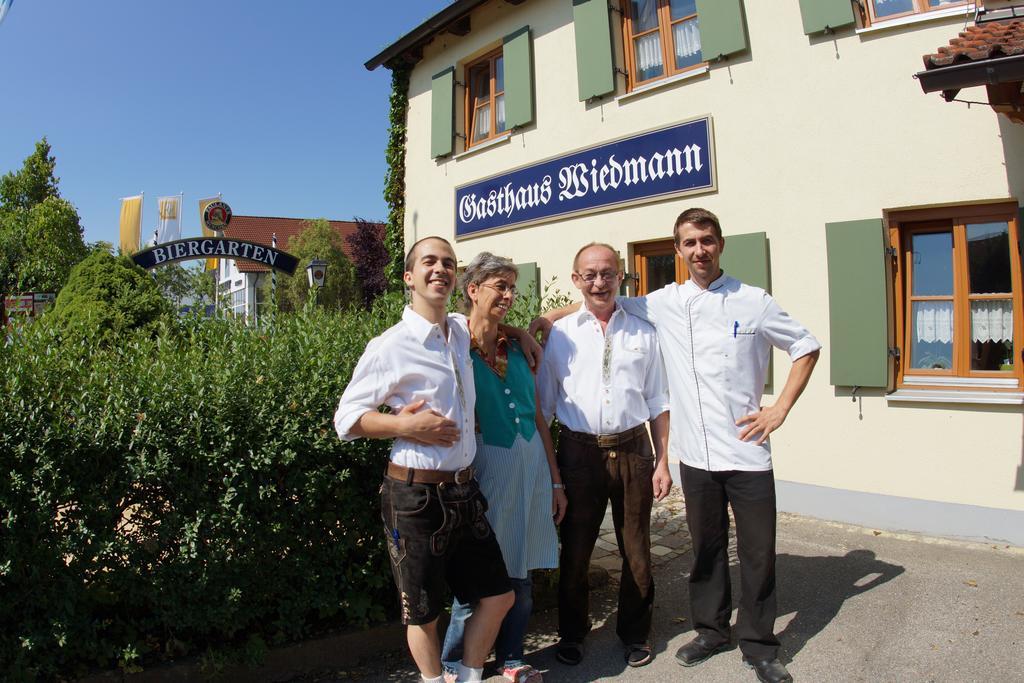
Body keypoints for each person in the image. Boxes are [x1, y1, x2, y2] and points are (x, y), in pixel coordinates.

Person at [532, 210, 820, 683]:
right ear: (679, 251)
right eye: (689, 243)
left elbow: (806, 347)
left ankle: (759, 644)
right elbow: (600, 303)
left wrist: (780, 409)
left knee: (757, 553)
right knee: (705, 549)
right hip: (697, 457)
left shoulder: (754, 301)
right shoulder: (664, 302)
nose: (699, 250)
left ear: (720, 244)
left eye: (706, 240)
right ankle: (710, 630)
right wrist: (545, 319)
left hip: (747, 451)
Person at [334, 236, 538, 683]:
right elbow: (346, 419)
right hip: (415, 495)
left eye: (448, 262)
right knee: (423, 613)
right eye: (429, 261)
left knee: (498, 595)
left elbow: (491, 324)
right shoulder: (391, 345)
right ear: (409, 277)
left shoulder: (460, 332)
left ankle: (466, 677)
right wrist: (403, 426)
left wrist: (523, 331)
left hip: (466, 489)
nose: (440, 269)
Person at [536, 242, 671, 669]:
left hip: (634, 449)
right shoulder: (559, 335)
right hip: (578, 453)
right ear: (576, 280)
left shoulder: (645, 331)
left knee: (637, 549)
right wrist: (554, 476)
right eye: (590, 274)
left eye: (608, 273)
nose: (599, 282)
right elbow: (544, 408)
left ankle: (635, 632)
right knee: (575, 551)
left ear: (621, 277)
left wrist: (664, 460)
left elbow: (658, 401)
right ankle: (572, 632)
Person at [439, 253, 567, 683]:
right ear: (473, 290)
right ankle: (454, 663)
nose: (510, 295)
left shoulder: (516, 346)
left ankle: (511, 658)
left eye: (513, 287)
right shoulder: (452, 341)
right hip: (486, 466)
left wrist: (555, 480)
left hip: (529, 466)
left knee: (522, 574)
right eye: (501, 286)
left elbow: (536, 419)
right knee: (476, 575)